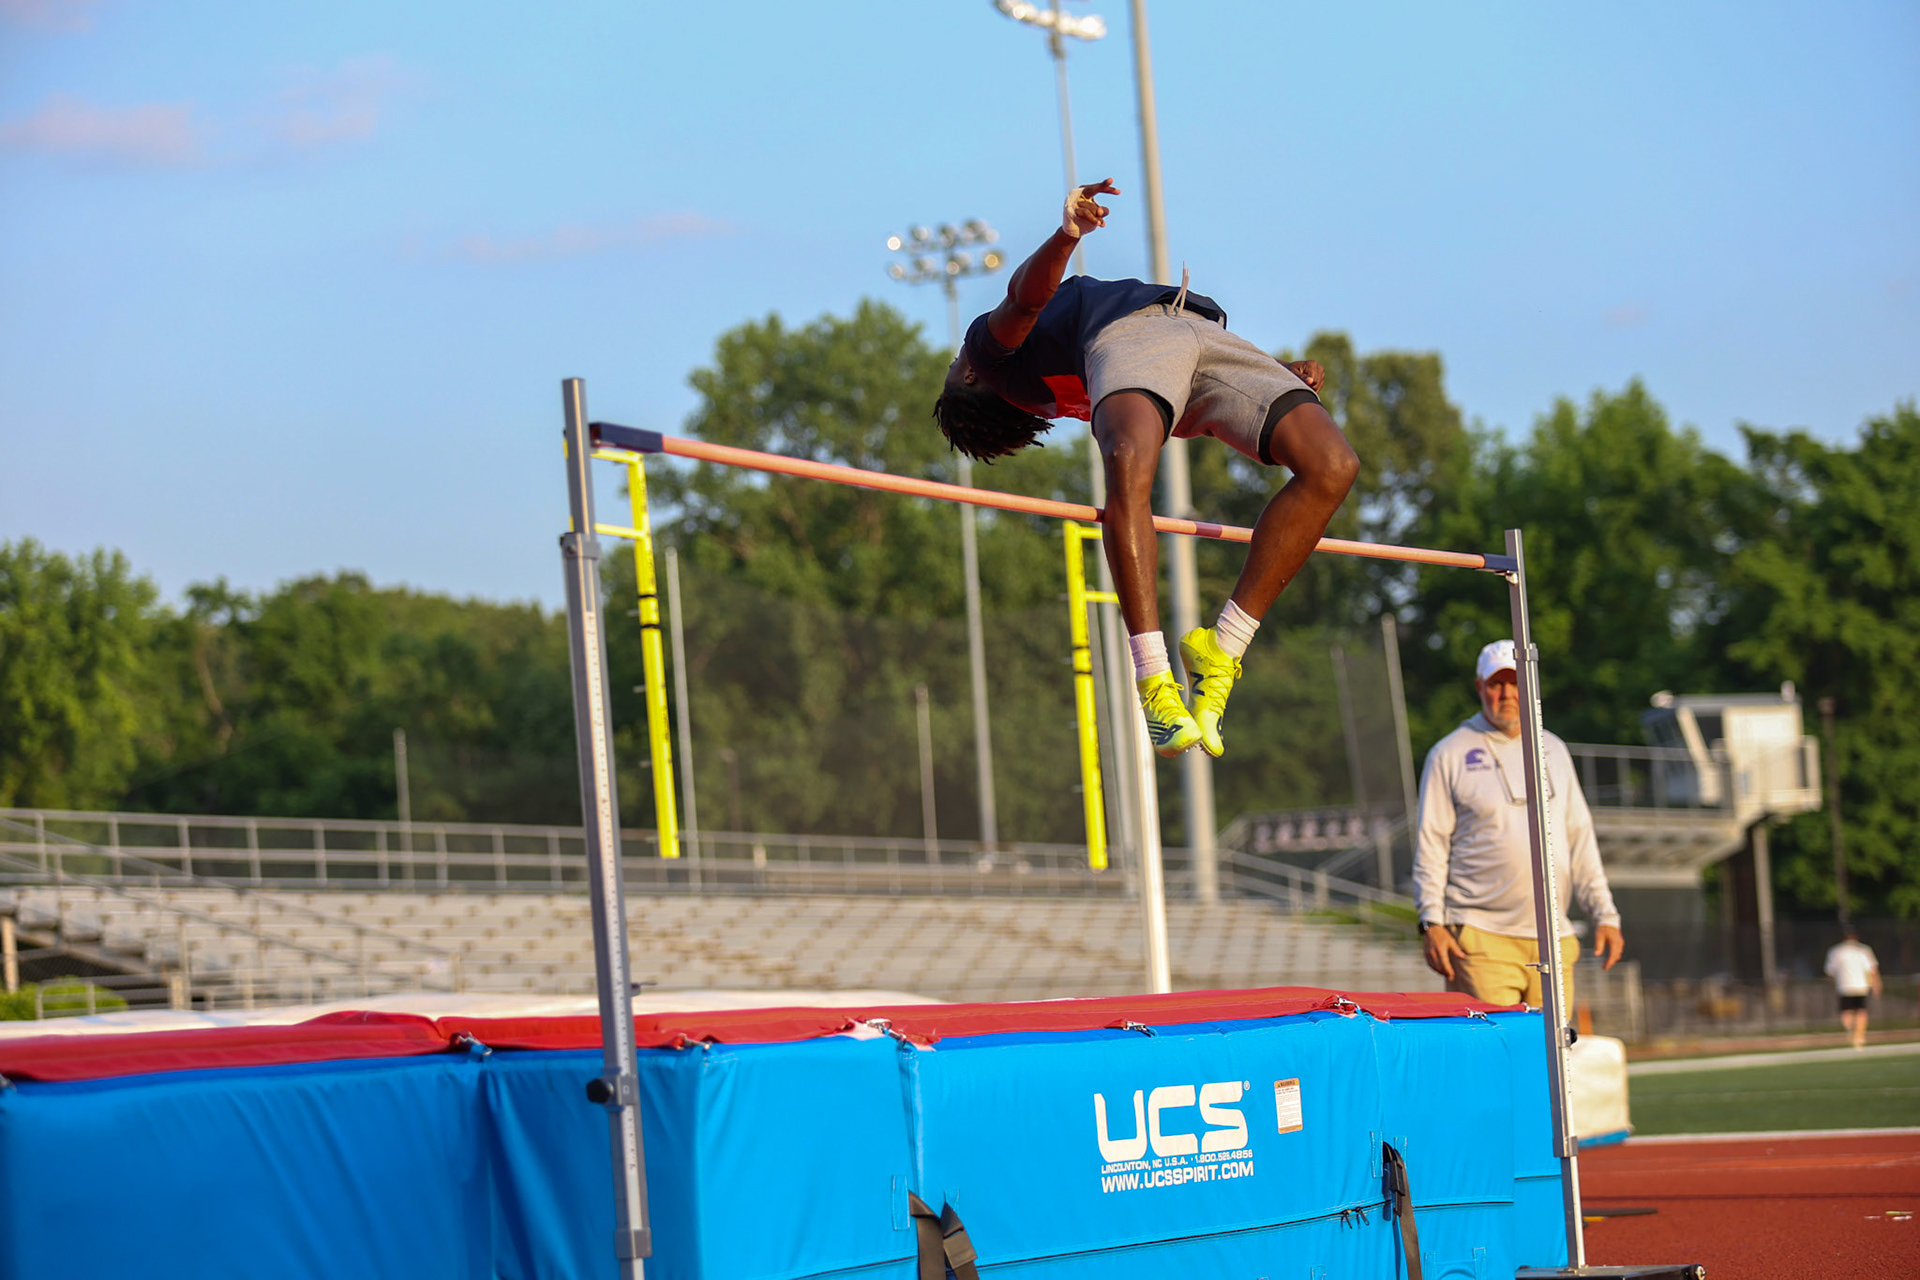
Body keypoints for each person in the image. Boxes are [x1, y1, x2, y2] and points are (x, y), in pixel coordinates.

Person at [932, 180, 1358, 759]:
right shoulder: (988, 355)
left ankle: (1224, 646)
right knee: (1129, 463)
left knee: (1332, 466)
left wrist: (1271, 370)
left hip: (1199, 330)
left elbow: (1169, 364)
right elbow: (1025, 300)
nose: (960, 357)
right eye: (956, 367)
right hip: (1137, 336)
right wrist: (1066, 236)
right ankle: (1155, 681)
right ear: (972, 380)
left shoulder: (1062, 393)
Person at [1412, 639, 1625, 1008]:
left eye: (1515, 682)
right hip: (1482, 938)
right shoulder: (1450, 753)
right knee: (1495, 1059)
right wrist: (1431, 922)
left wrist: (1605, 914)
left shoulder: (1553, 749)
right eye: (1496, 684)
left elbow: (1580, 840)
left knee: (1554, 1061)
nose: (1507, 693)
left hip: (1553, 938)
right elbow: (1431, 844)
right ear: (1480, 687)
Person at [1824, 929, 1882, 1049]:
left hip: (1844, 986)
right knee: (1861, 1011)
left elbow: (1830, 972)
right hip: (1861, 986)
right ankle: (1859, 1036)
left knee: (1847, 1011)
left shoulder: (1836, 952)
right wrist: (1877, 984)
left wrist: (1831, 986)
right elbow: (1872, 970)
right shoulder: (1863, 950)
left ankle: (1852, 1031)